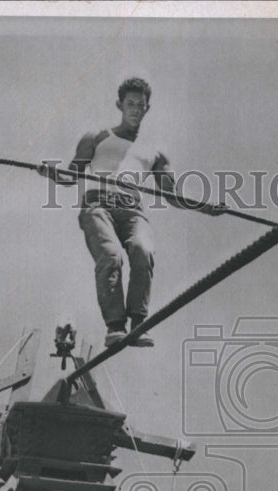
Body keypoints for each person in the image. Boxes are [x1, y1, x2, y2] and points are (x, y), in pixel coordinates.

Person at [40, 78, 179, 348]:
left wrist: (206, 207)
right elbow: (71, 176)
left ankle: (138, 323)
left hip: (132, 209)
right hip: (98, 205)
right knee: (111, 254)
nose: (135, 110)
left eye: (141, 105)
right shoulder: (97, 137)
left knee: (143, 249)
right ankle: (115, 326)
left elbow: (173, 195)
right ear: (120, 105)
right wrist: (52, 173)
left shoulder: (156, 153)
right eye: (130, 104)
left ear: (147, 109)